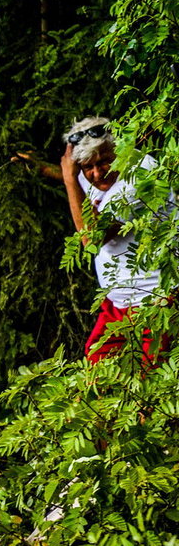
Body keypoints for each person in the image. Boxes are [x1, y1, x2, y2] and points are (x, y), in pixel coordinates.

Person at [53, 117, 172, 362]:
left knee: (152, 374)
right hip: (118, 304)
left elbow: (92, 239)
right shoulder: (98, 173)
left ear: (120, 149)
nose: (97, 174)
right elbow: (86, 183)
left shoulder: (141, 175)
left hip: (157, 300)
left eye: (104, 162)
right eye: (87, 167)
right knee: (96, 368)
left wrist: (69, 179)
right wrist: (45, 168)